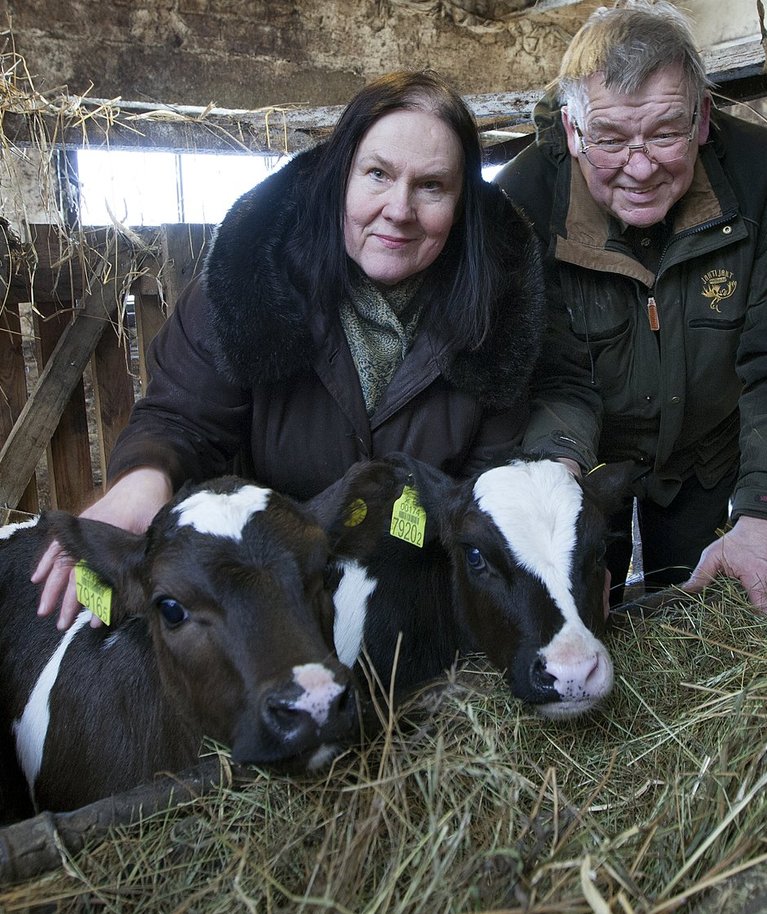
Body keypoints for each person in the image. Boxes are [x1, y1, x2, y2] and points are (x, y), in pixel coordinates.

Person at [35, 70, 550, 629]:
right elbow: (182, 419)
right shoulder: (250, 278)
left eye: (432, 186)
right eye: (377, 174)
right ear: (341, 178)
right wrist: (144, 479)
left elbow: (484, 489)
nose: (400, 210)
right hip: (258, 596)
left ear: (461, 204)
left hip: (414, 603)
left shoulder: (497, 314)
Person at [496, 0, 767, 609]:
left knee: (703, 605)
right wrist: (555, 473)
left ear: (701, 120)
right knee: (592, 609)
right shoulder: (520, 204)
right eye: (611, 139)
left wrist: (761, 510)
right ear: (573, 130)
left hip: (708, 453)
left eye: (666, 133)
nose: (639, 168)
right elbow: (551, 376)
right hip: (590, 467)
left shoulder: (759, 177)